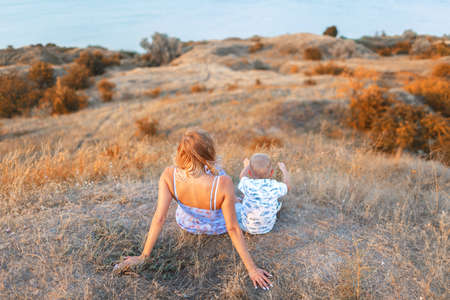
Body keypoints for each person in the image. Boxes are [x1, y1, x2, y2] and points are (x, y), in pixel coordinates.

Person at [114, 129, 273, 290]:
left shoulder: (168, 174)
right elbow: (232, 228)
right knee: (240, 201)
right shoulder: (223, 182)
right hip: (216, 226)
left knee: (225, 189)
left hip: (187, 223)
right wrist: (252, 269)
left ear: (180, 152)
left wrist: (143, 256)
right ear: (209, 152)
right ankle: (232, 198)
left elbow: (159, 218)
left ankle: (229, 197)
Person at [235, 153, 291, 234]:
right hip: (268, 228)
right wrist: (284, 170)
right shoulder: (274, 185)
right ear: (271, 173)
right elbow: (287, 186)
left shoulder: (247, 184)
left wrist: (247, 166)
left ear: (250, 173)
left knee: (235, 206)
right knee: (276, 202)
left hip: (247, 227)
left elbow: (242, 177)